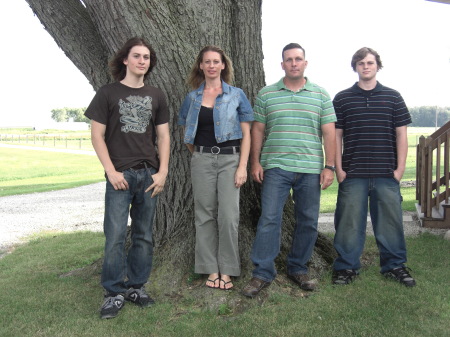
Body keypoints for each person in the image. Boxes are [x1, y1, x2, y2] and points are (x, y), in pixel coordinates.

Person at [241, 43, 336, 298]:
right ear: (282, 64)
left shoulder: (320, 95)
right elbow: (257, 130)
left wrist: (330, 167)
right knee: (269, 219)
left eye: (298, 59)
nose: (294, 63)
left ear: (305, 63)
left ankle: (298, 268)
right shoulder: (267, 94)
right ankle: (262, 272)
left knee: (307, 221)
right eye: (289, 60)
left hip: (310, 169)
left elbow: (329, 133)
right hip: (276, 167)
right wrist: (255, 162)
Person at [84, 37, 170, 319]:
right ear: (125, 60)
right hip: (119, 175)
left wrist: (163, 172)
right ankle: (113, 292)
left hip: (148, 175)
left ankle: (136, 287)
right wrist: (111, 171)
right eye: (137, 56)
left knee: (144, 236)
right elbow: (96, 135)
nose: (142, 61)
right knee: (116, 236)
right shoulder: (108, 93)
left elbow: (164, 136)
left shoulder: (157, 95)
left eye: (146, 57)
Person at [331, 47, 416, 287]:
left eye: (369, 62)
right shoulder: (343, 98)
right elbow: (336, 136)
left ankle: (395, 266)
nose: (365, 66)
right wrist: (339, 169)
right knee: (348, 224)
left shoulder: (393, 97)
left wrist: (399, 170)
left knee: (390, 222)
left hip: (386, 173)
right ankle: (346, 268)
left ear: (377, 66)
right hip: (352, 173)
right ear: (355, 67)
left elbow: (401, 135)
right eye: (360, 63)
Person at [178, 45, 253, 290]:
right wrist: (201, 155)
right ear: (201, 66)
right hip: (202, 160)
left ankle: (228, 270)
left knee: (229, 216)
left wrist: (242, 166)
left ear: (223, 65)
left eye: (216, 61)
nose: (211, 65)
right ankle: (211, 269)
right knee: (204, 216)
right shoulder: (192, 98)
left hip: (231, 160)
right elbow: (186, 132)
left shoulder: (236, 95)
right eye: (207, 62)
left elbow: (247, 133)